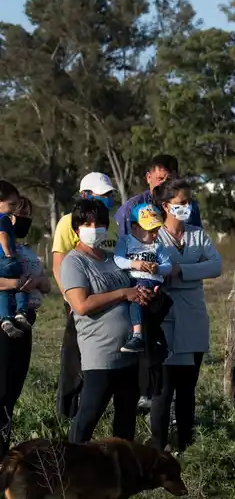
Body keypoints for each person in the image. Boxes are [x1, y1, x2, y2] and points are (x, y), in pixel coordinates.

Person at [60, 198, 152, 442]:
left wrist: (143, 292)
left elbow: (134, 289)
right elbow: (81, 305)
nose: (94, 228)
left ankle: (120, 473)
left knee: (125, 421)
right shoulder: (74, 262)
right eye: (87, 223)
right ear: (77, 228)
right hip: (100, 356)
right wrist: (123, 293)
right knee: (88, 416)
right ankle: (70, 467)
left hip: (128, 356)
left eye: (99, 223)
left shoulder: (114, 258)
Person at [148, 178, 221, 453]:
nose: (186, 207)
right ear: (166, 206)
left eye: (189, 202)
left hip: (193, 317)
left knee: (187, 389)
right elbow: (155, 270)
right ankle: (157, 448)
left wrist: (181, 271)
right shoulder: (155, 236)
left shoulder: (197, 234)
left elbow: (215, 265)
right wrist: (188, 269)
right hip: (164, 320)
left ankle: (185, 446)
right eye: (180, 203)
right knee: (163, 390)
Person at [52, 172, 119, 426]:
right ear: (85, 195)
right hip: (79, 296)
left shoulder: (112, 223)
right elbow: (59, 266)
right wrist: (70, 300)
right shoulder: (69, 222)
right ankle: (68, 410)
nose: (107, 200)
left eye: (109, 195)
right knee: (74, 355)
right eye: (101, 195)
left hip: (108, 295)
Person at [0, 197, 47, 450]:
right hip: (2, 323)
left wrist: (36, 282)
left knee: (12, 392)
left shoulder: (27, 251)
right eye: (20, 214)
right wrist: (17, 284)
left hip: (25, 321)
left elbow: (47, 283)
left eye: (29, 215)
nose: (25, 221)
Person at [113, 203, 172, 354]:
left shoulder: (157, 246)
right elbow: (118, 259)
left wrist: (158, 268)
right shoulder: (125, 241)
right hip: (132, 278)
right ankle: (157, 338)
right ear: (134, 227)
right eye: (150, 230)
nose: (155, 235)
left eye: (157, 230)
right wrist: (134, 263)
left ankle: (137, 336)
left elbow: (168, 266)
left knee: (137, 299)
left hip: (150, 280)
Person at [114, 153, 201, 230]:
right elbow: (123, 243)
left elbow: (198, 237)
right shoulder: (131, 208)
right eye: (160, 179)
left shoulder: (189, 206)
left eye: (169, 179)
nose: (164, 183)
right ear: (148, 177)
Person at [0, 181, 29, 339]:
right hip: (6, 260)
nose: (13, 209)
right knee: (21, 283)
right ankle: (21, 312)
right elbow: (2, 235)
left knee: (3, 292)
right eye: (11, 204)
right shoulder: (3, 218)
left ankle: (5, 318)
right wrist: (9, 252)